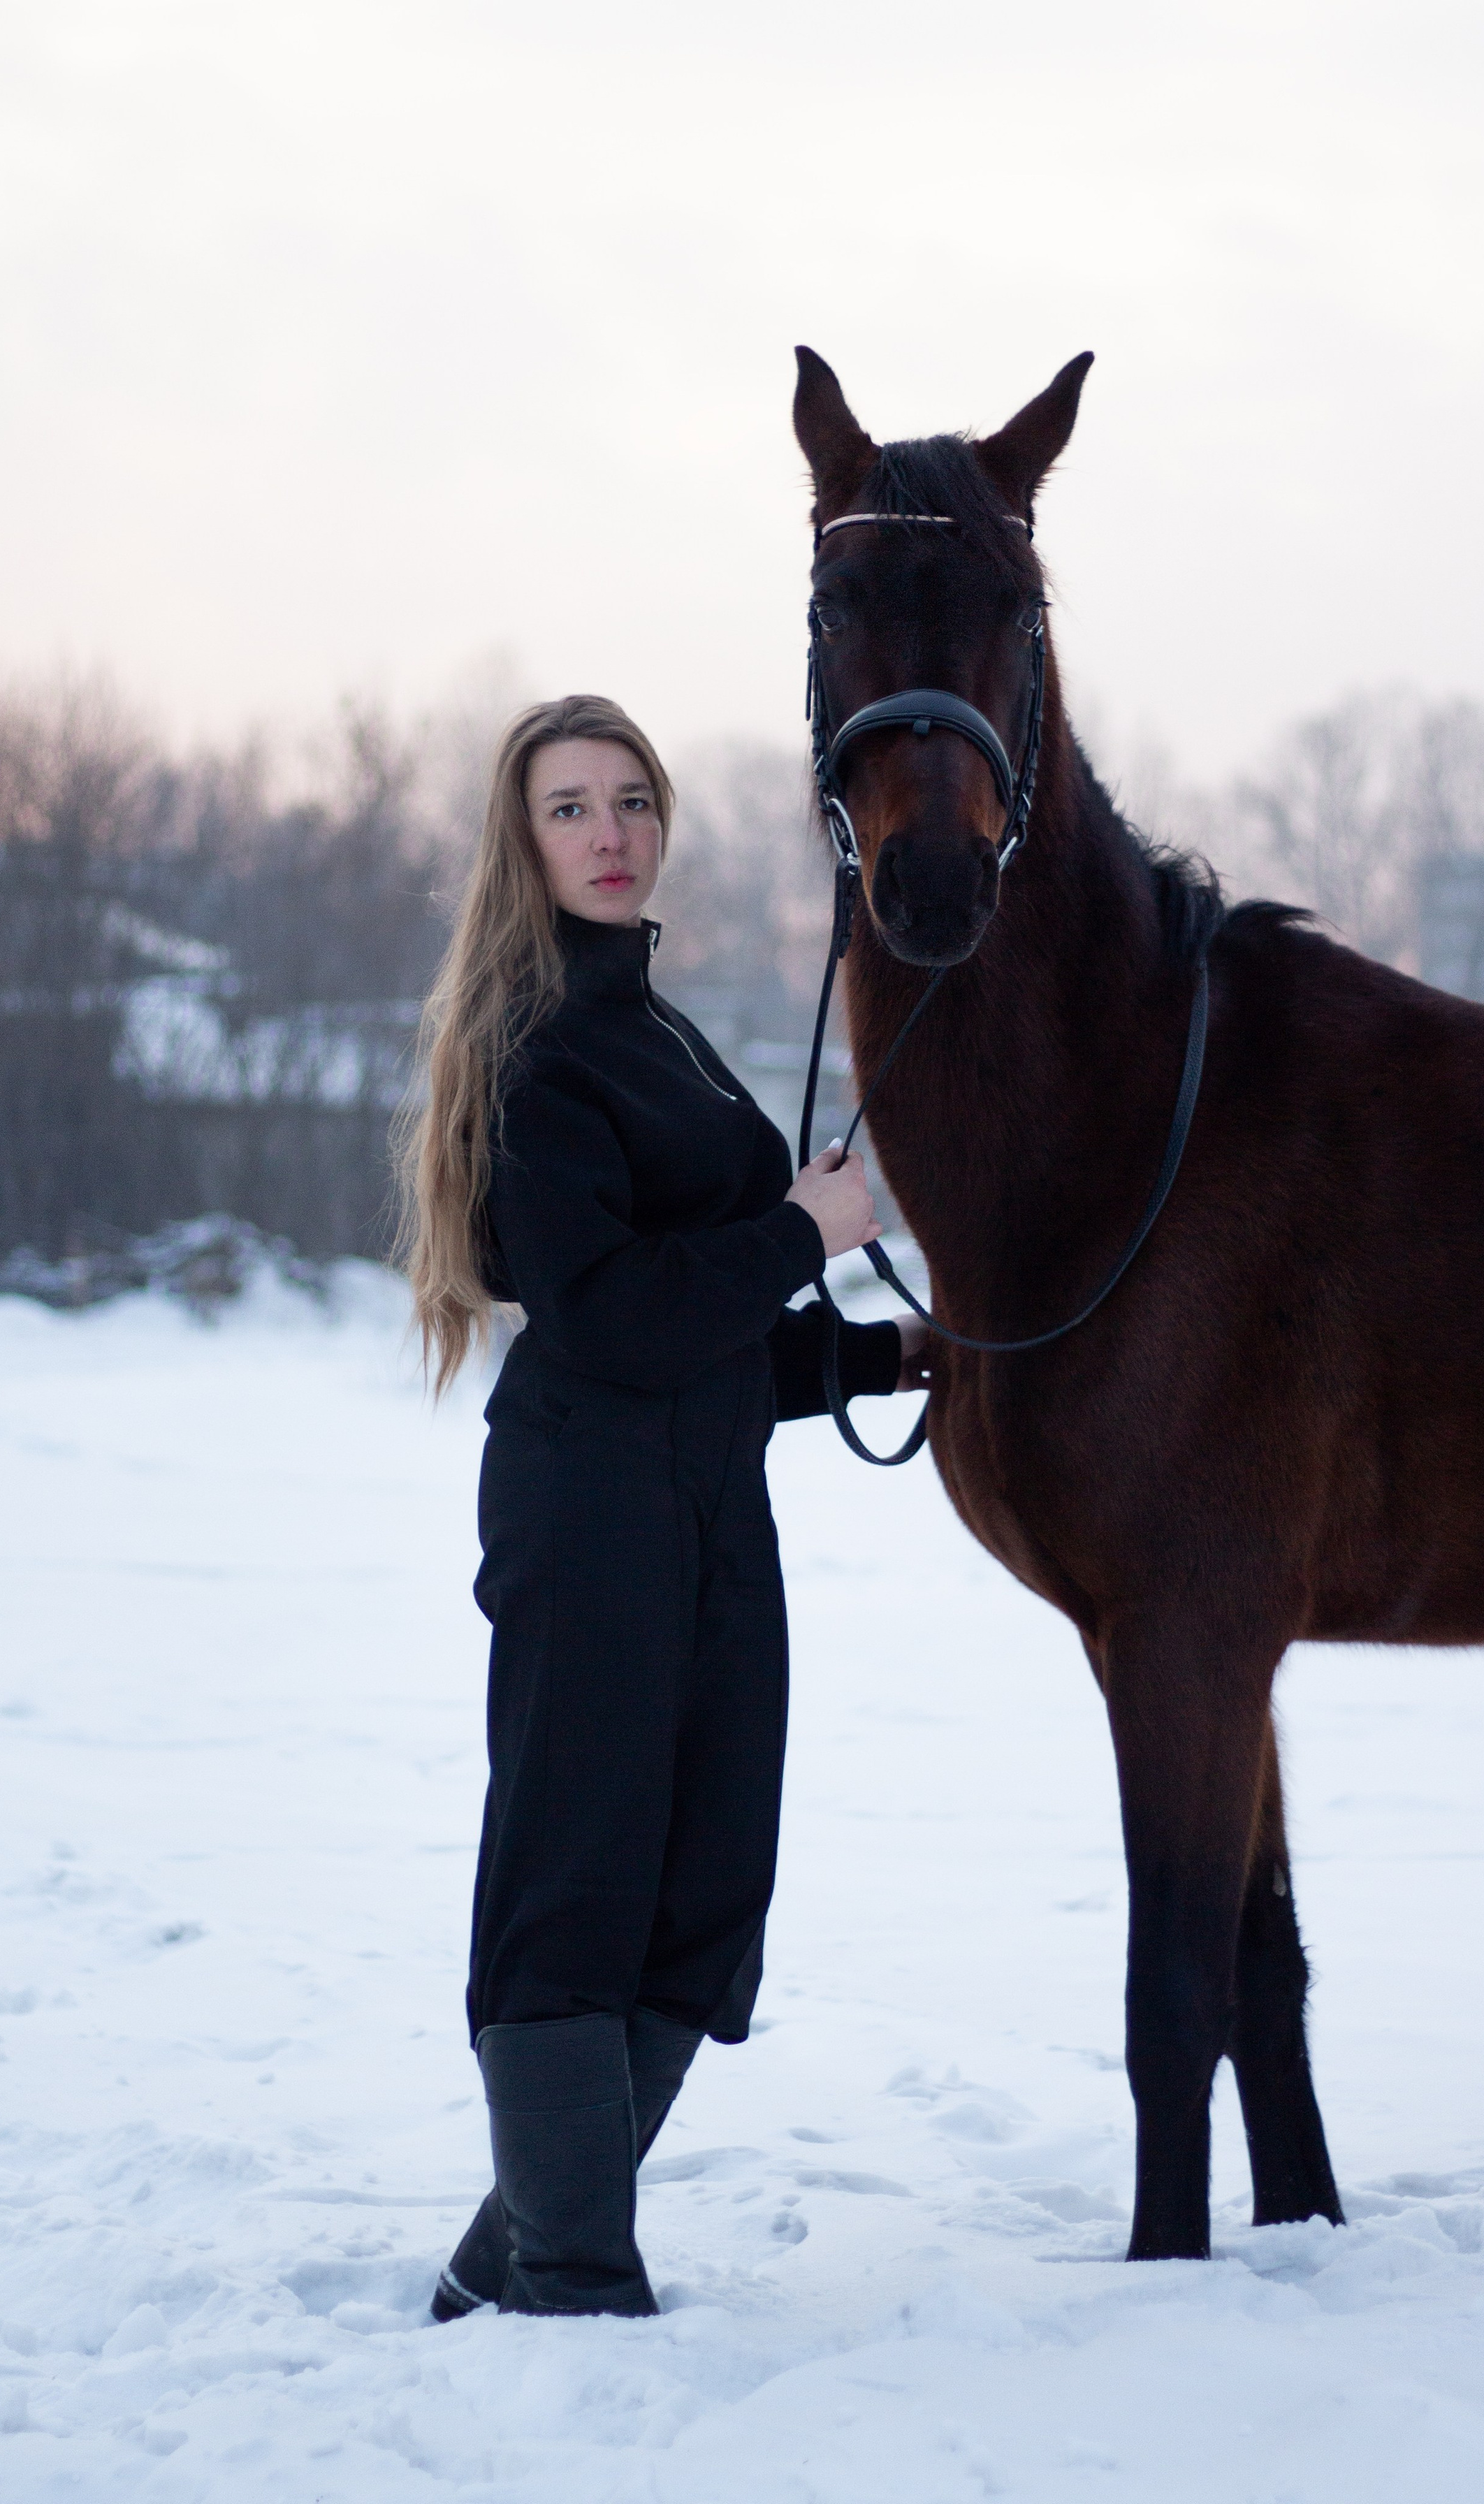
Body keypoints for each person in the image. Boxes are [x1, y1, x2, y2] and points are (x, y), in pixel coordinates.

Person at [395, 694, 928, 2320]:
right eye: (570, 808)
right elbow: (617, 1320)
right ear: (523, 839)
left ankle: (515, 2244)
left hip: (704, 1509)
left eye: (631, 800)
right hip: (589, 1508)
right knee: (579, 1874)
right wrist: (802, 1228)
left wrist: (888, 1354)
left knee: (702, 1881)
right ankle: (569, 2267)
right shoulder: (540, 1048)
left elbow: (702, 1344)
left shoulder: (659, 1027)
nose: (611, 832)